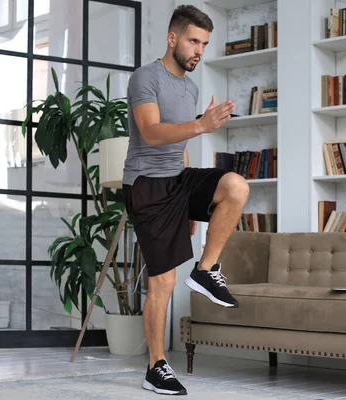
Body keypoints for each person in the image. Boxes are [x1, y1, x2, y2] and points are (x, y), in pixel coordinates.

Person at [122, 4, 250, 396]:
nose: (199, 50)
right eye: (194, 41)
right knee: (162, 280)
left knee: (235, 186)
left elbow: (181, 144)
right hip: (147, 185)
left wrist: (193, 204)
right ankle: (156, 367)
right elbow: (153, 133)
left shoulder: (191, 87)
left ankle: (206, 269)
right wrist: (202, 124)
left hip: (177, 179)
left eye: (205, 44)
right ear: (172, 38)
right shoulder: (146, 77)